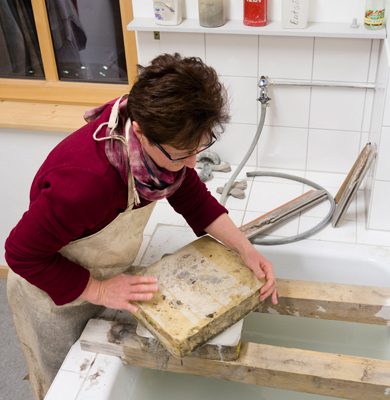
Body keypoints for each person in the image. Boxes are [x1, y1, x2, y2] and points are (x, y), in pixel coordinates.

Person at [5, 53, 279, 400]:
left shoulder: (153, 154)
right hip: (49, 288)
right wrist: (98, 290)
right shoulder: (88, 185)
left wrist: (245, 249)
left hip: (103, 273)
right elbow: (21, 254)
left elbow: (192, 198)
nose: (192, 162)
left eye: (200, 146)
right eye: (182, 153)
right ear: (140, 132)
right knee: (67, 381)